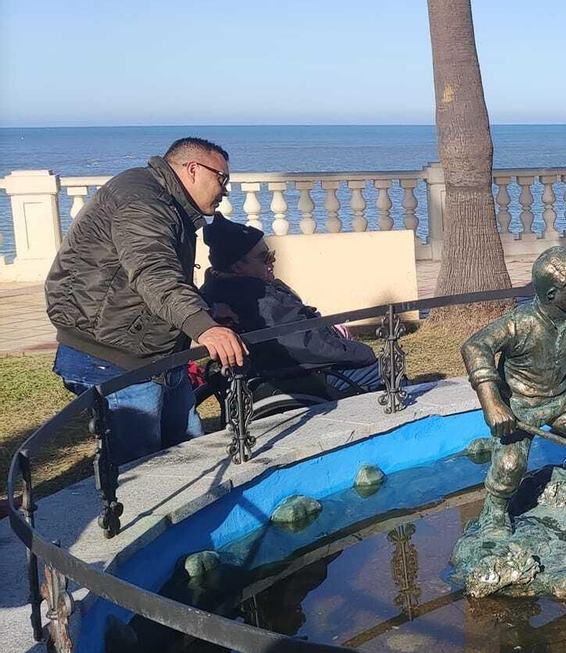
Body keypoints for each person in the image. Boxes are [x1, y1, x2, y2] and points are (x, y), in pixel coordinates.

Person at [45, 138, 248, 465]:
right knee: (141, 468)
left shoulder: (168, 202)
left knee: (189, 457)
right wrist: (204, 328)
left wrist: (207, 312)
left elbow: (160, 277)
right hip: (113, 357)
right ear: (193, 169)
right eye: (221, 179)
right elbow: (153, 273)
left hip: (156, 354)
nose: (225, 190)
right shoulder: (142, 201)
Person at [460, 246, 566, 538]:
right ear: (552, 294)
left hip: (563, 400)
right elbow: (475, 346)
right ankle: (495, 509)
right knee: (510, 465)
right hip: (519, 406)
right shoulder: (520, 322)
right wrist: (492, 404)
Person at [199, 215, 384, 398]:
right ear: (238, 267)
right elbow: (308, 344)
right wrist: (360, 351)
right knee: (387, 368)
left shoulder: (220, 289)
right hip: (297, 375)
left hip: (283, 369)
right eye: (265, 258)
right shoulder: (257, 299)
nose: (272, 262)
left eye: (272, 256)